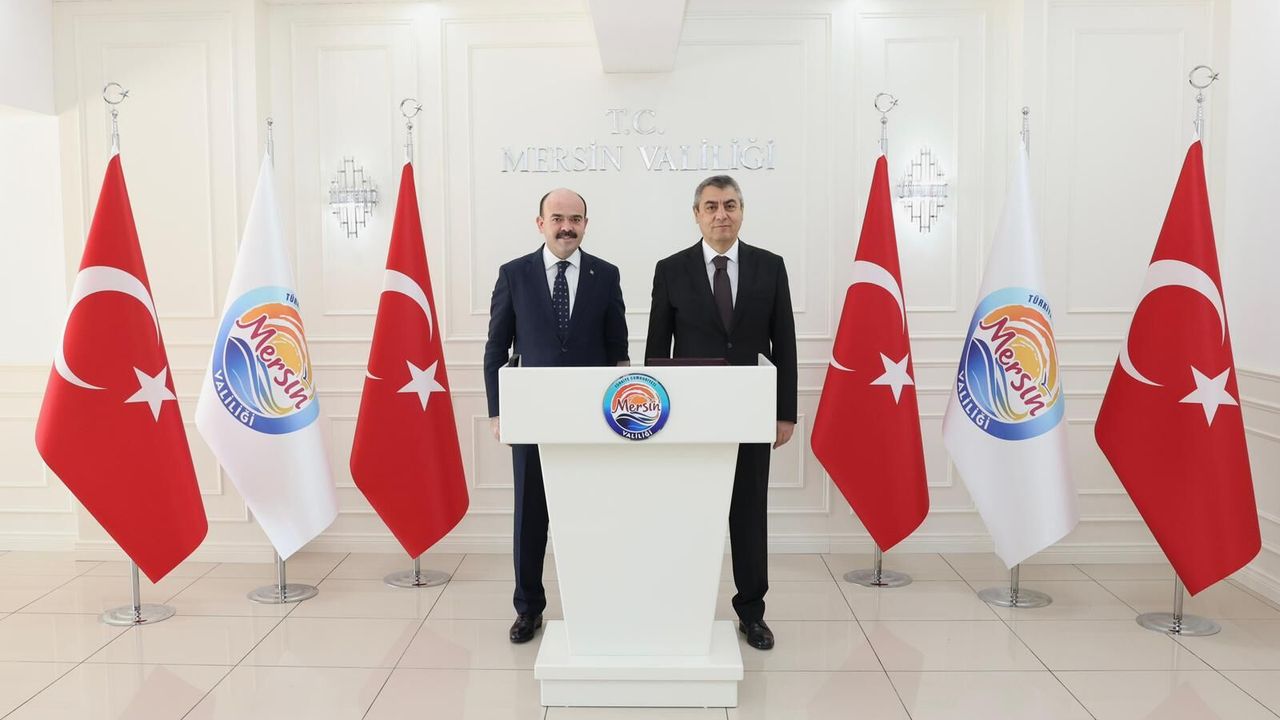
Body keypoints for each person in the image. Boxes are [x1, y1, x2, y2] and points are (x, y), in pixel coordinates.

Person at [643, 175, 797, 651]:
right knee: (690, 515)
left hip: (750, 414)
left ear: (742, 211)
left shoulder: (770, 267)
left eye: (730, 205)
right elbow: (656, 352)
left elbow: (785, 344)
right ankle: (684, 607)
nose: (721, 214)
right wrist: (653, 417)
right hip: (689, 419)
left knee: (748, 515)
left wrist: (784, 412)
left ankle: (752, 612)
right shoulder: (671, 270)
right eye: (710, 206)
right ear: (696, 215)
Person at [483, 188, 629, 644]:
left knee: (592, 515)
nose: (567, 227)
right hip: (533, 415)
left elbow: (619, 352)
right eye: (558, 218)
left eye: (576, 219)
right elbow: (496, 348)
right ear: (540, 223)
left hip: (593, 421)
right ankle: (528, 609)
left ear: (586, 224)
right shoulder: (514, 274)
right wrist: (499, 411)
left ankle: (595, 603)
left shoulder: (607, 274)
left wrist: (622, 416)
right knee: (530, 517)